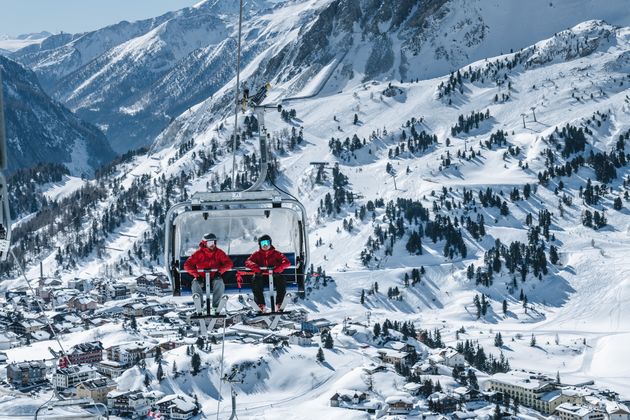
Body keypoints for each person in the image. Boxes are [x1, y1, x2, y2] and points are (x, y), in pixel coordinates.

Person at [184, 233, 233, 315]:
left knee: (219, 282)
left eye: (213, 242)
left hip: (214, 277)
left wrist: (220, 271)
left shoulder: (219, 253)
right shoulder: (198, 254)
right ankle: (200, 307)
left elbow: (229, 263)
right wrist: (197, 275)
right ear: (204, 243)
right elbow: (187, 265)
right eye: (209, 243)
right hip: (201, 278)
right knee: (195, 284)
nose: (212, 245)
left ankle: (216, 307)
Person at [245, 234, 291, 312]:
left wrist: (277, 270)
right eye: (263, 243)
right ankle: (261, 304)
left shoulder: (276, 253)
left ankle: (279, 304)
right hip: (262, 276)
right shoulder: (257, 254)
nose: (265, 245)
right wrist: (257, 269)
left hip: (274, 275)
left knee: (281, 280)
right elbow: (248, 262)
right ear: (260, 245)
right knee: (255, 280)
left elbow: (286, 262)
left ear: (270, 243)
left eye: (267, 243)